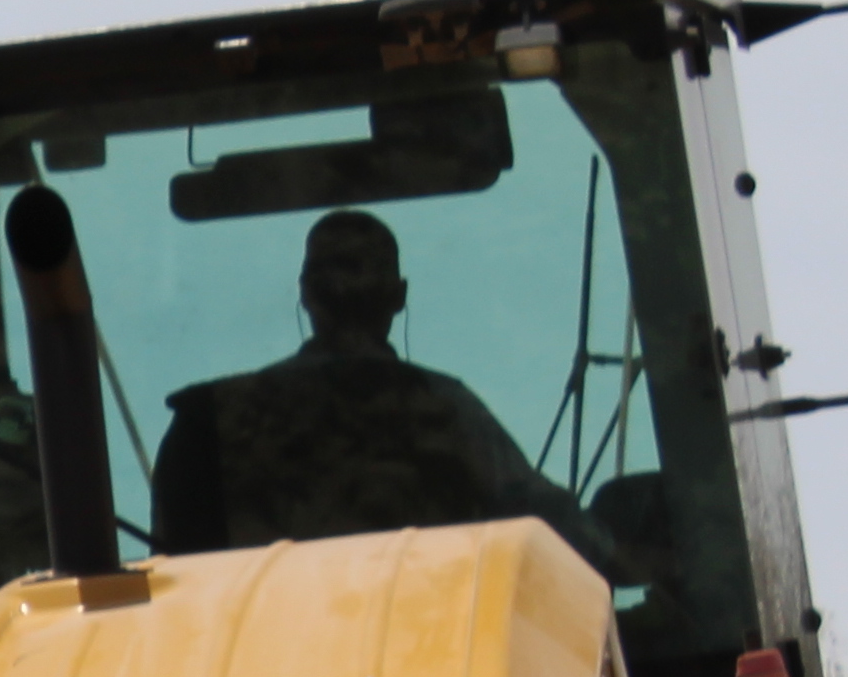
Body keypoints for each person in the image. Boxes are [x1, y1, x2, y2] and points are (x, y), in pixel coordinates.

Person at [152, 206, 623, 571]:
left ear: (306, 294)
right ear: (398, 297)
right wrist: (631, 556)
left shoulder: (207, 425)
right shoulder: (445, 414)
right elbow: (558, 530)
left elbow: (170, 585)